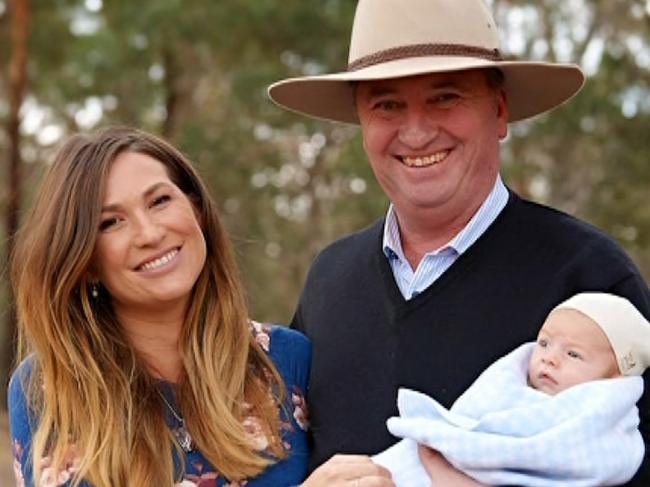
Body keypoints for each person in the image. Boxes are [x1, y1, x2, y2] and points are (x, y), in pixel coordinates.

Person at [267, 0, 650, 485]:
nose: (417, 131)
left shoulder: (590, 280)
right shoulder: (329, 279)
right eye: (387, 105)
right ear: (362, 124)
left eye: (445, 97)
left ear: (500, 112)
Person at [7, 127, 394, 487]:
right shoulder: (46, 387)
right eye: (111, 222)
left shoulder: (286, 359)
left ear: (197, 210)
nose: (151, 233)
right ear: (86, 261)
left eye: (160, 201)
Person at [374, 292, 650, 486]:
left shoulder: (599, 428)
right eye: (544, 343)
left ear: (615, 377)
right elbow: (473, 421)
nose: (549, 357)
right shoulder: (509, 388)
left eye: (573, 354)